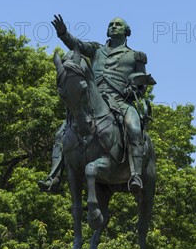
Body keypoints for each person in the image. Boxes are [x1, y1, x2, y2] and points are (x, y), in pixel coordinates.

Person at [38, 15, 155, 194]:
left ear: (126, 31)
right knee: (61, 132)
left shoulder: (136, 56)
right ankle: (54, 177)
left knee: (133, 127)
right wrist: (63, 33)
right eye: (111, 24)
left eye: (118, 25)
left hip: (121, 101)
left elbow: (142, 86)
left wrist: (135, 90)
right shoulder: (96, 50)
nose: (114, 27)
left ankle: (135, 175)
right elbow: (75, 44)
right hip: (93, 100)